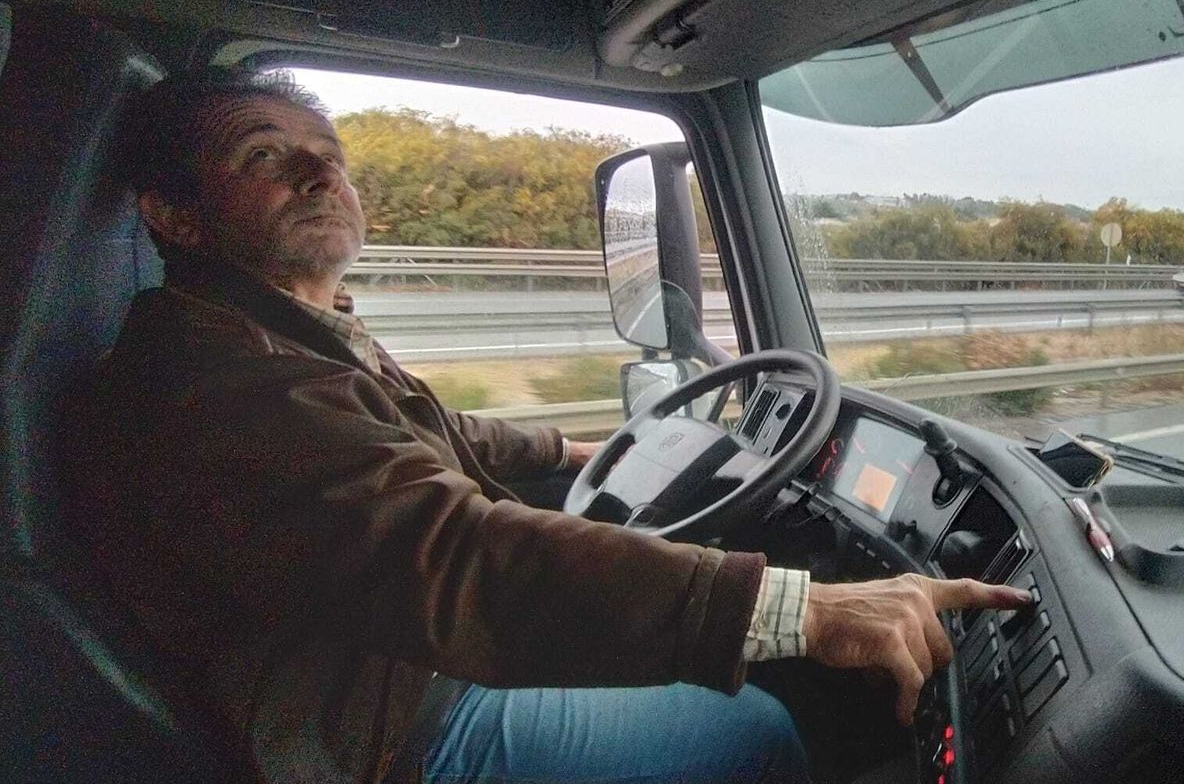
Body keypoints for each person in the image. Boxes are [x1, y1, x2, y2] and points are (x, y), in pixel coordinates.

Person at [64, 68, 1033, 784]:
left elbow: (429, 432)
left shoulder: (271, 331)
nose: (320, 172)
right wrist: (804, 611)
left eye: (331, 154)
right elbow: (455, 555)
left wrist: (577, 449)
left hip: (377, 672)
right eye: (264, 155)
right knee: (757, 733)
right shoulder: (219, 383)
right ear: (175, 217)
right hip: (384, 732)